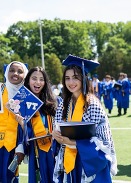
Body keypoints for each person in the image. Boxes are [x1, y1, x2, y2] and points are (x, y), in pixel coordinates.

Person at [52, 54, 117, 183]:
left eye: (75, 78)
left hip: (89, 164)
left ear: (83, 78)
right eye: (67, 78)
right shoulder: (63, 105)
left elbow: (104, 142)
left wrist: (74, 143)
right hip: (69, 162)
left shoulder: (93, 105)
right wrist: (56, 134)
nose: (71, 82)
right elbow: (58, 129)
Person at [15, 66, 58, 183]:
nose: (38, 82)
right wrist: (23, 125)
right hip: (37, 152)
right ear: (28, 80)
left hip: (55, 150)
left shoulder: (55, 101)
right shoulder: (21, 104)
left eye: (41, 79)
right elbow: (24, 137)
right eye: (34, 78)